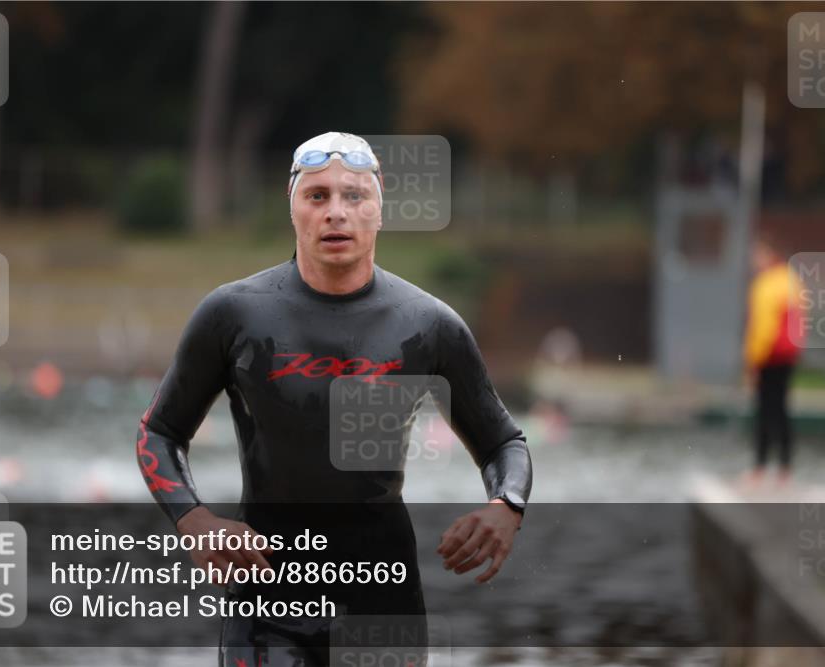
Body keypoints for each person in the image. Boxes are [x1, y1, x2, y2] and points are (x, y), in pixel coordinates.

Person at [136, 132, 532, 666]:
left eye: (354, 196)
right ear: (293, 207)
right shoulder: (233, 315)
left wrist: (506, 506)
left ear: (379, 208)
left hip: (380, 597)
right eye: (317, 196)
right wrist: (195, 520)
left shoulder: (429, 324)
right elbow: (160, 432)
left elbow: (503, 441)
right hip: (266, 591)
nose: (336, 213)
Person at [741, 233, 805, 487]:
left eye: (757, 254)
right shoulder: (792, 280)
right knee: (782, 409)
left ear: (768, 254)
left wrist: (752, 361)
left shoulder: (765, 284)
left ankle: (759, 466)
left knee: (765, 411)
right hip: (788, 356)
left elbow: (763, 329)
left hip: (768, 357)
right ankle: (785, 468)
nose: (753, 260)